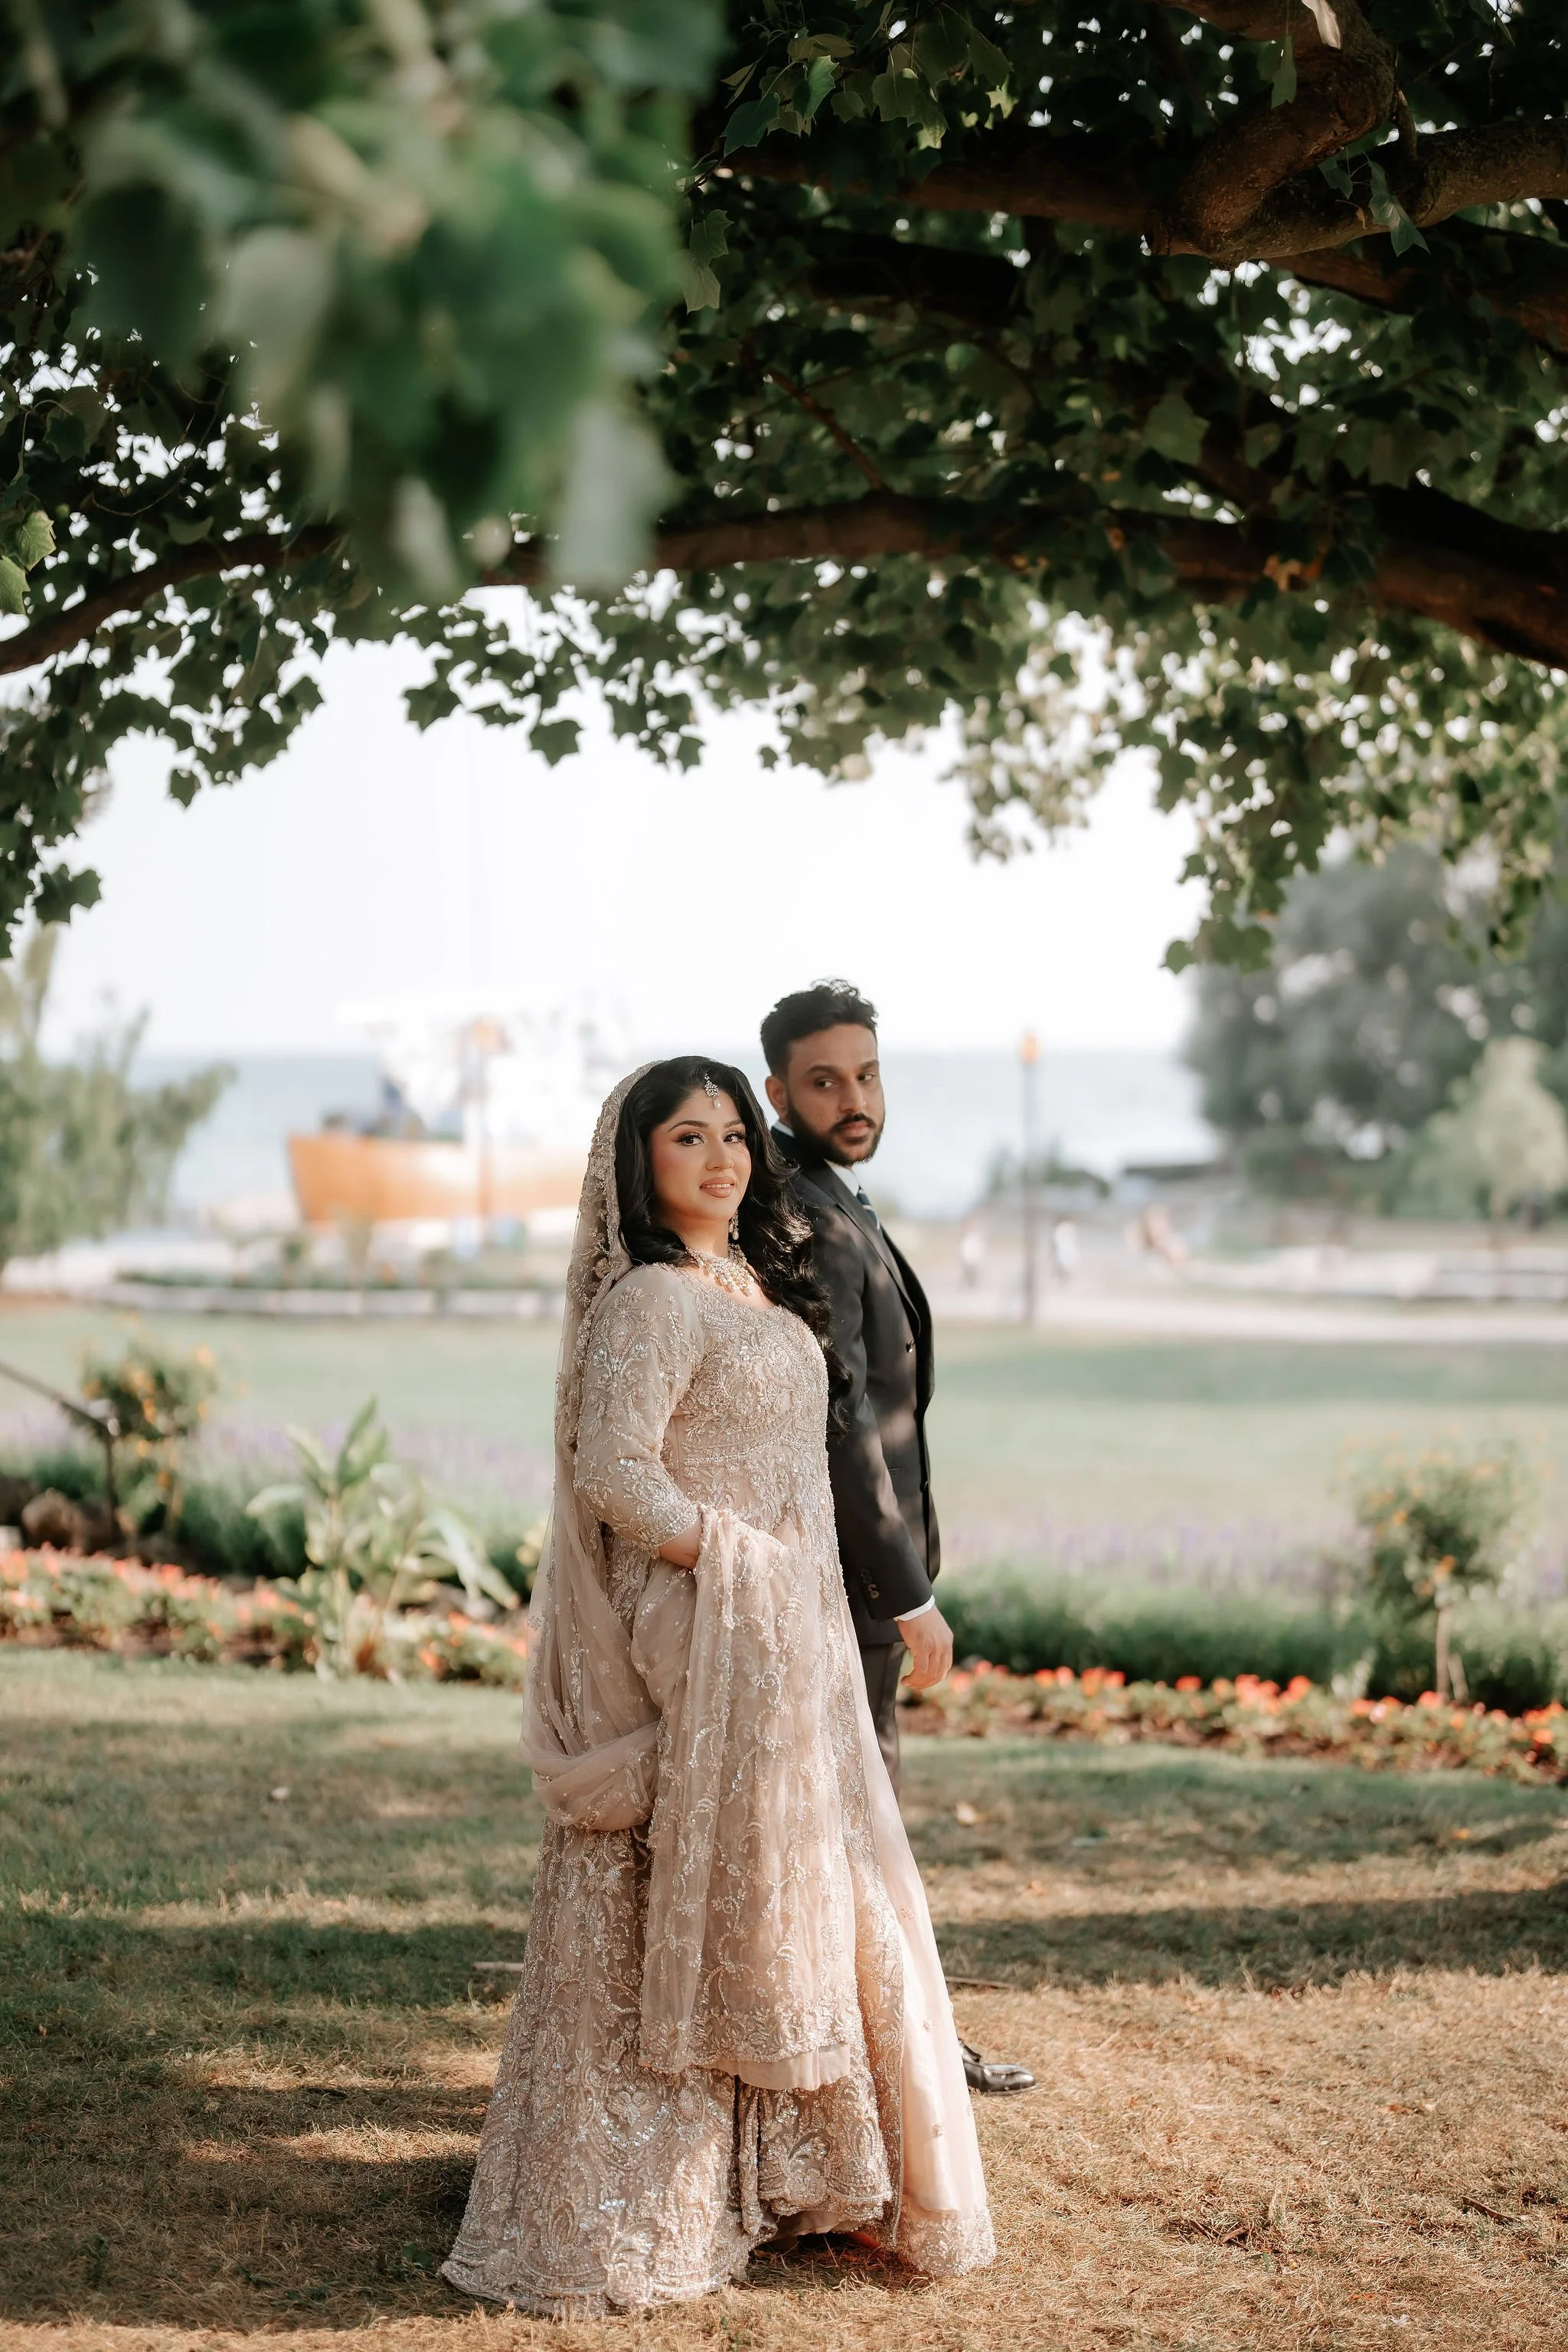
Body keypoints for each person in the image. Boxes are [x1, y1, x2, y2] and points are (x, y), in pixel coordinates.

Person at [442, 1059, 995, 2314]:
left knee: (791, 1879)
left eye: (735, 1135)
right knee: (678, 1876)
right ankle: (637, 2198)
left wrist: (809, 1592)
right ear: (637, 1161)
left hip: (788, 1630)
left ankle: (788, 2175)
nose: (722, 1158)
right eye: (688, 1138)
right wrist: (735, 1563)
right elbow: (613, 1472)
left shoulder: (749, 1278)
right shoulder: (647, 1298)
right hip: (707, 1623)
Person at [763, 982, 1036, 2100]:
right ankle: (902, 2049)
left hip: (859, 1571)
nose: (855, 1098)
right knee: (863, 1818)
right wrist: (907, 1590)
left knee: (855, 1814)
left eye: (867, 1075)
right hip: (850, 1576)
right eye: (825, 1081)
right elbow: (843, 1421)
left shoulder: (834, 1197)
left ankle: (880, 2036)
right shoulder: (808, 1217)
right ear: (777, 1091)